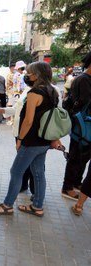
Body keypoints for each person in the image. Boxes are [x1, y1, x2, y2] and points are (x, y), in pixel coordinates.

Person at [0, 61, 62, 217]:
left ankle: (7, 205)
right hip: (44, 140)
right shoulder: (53, 91)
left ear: (37, 75)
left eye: (29, 73)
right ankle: (37, 206)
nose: (26, 76)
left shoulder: (34, 93)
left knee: (16, 172)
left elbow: (28, 120)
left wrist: (20, 139)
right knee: (38, 172)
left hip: (31, 141)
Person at [61, 51, 91, 201]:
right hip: (82, 126)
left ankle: (77, 183)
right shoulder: (83, 80)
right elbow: (82, 104)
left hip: (86, 126)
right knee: (75, 157)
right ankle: (67, 187)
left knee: (84, 157)